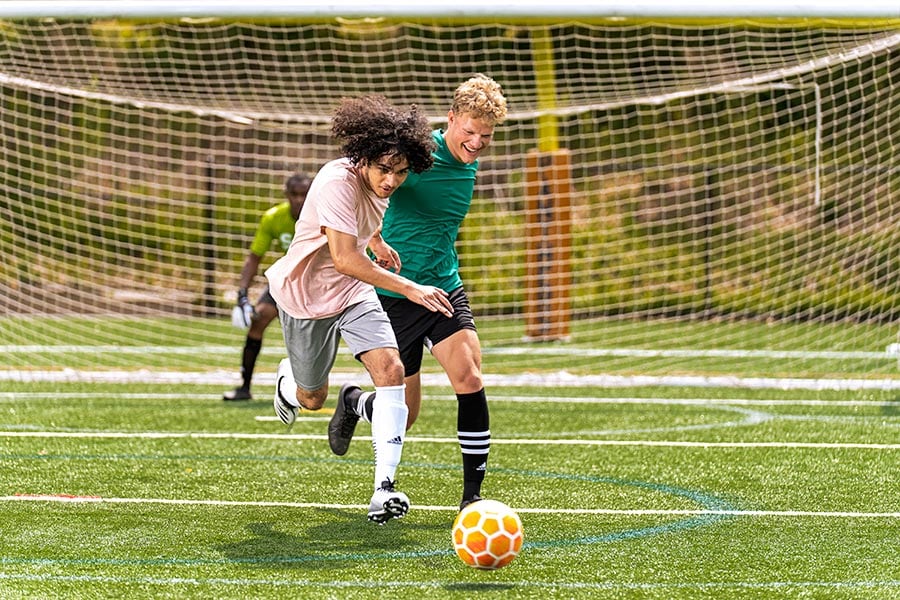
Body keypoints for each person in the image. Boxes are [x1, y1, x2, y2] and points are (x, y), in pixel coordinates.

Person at [265, 95, 454, 524]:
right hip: (306, 296)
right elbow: (344, 258)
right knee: (312, 399)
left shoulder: (381, 186)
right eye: (383, 169)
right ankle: (287, 385)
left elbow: (359, 238)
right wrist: (410, 288)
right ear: (363, 158)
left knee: (391, 370)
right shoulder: (336, 181)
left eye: (401, 172)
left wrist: (377, 241)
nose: (391, 181)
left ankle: (383, 490)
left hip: (353, 292)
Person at [328, 74, 508, 511]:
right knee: (405, 415)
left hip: (443, 287)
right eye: (469, 132)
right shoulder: (415, 153)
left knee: (469, 376)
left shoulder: (471, 160)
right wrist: (371, 241)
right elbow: (362, 188)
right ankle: (355, 402)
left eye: (486, 136)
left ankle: (472, 499)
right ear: (450, 120)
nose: (477, 142)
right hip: (392, 293)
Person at [223, 173, 312, 402]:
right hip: (288, 280)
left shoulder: (322, 216)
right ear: (287, 195)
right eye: (295, 195)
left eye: (305, 195)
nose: (300, 200)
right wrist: (242, 294)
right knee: (258, 318)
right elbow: (254, 257)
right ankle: (244, 387)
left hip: (318, 282)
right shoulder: (273, 218)